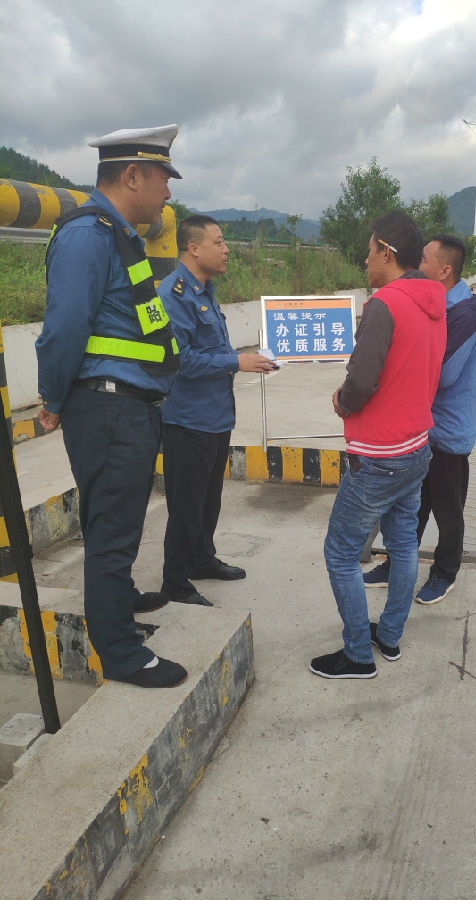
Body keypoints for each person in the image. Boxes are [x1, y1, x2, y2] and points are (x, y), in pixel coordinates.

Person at [35, 124, 187, 689]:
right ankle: (121, 653)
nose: (167, 193)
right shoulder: (87, 236)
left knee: (119, 521)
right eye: (163, 179)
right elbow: (63, 329)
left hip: (130, 406)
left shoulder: (118, 235)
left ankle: (117, 600)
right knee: (112, 533)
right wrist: (53, 399)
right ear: (133, 175)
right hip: (107, 408)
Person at [310, 210, 447, 679]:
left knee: (340, 553)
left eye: (370, 252)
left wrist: (342, 401)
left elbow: (362, 380)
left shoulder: (385, 304)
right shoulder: (434, 301)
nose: (365, 261)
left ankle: (357, 654)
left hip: (379, 455)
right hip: (416, 447)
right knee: (404, 545)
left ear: (386, 252)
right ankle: (388, 636)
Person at [157, 215, 278, 606]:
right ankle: (175, 582)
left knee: (208, 500)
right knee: (186, 506)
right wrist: (236, 361)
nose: (226, 250)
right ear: (194, 249)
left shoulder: (204, 290)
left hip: (214, 417)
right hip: (187, 420)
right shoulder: (173, 295)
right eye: (219, 242)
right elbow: (180, 360)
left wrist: (242, 359)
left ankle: (201, 559)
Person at [363, 234, 476, 604]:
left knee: (448, 512)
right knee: (409, 507)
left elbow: (443, 374)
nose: (418, 264)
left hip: (448, 434)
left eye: (425, 259)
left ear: (444, 270)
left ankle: (445, 572)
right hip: (420, 429)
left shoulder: (464, 314)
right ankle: (397, 564)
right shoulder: (435, 306)